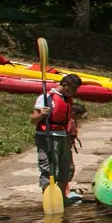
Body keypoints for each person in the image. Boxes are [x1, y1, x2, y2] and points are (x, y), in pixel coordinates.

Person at [30, 73, 84, 203]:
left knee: (67, 167)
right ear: (66, 85)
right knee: (49, 168)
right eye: (74, 88)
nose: (75, 92)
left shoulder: (66, 99)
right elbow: (33, 120)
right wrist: (42, 114)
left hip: (62, 136)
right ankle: (48, 198)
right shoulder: (46, 97)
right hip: (48, 137)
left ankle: (62, 197)